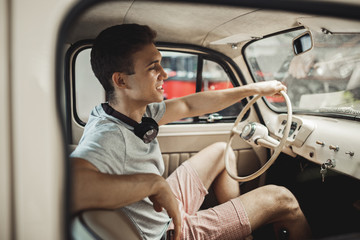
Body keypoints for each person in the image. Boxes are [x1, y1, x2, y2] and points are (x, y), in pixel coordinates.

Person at [70, 24, 311, 240]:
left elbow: (190, 105)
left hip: (162, 209)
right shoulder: (109, 135)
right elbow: (73, 187)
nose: (164, 74)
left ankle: (240, 232)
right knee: (284, 200)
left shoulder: (132, 112)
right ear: (121, 81)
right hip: (168, 232)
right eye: (153, 68)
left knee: (221, 152)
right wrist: (154, 184)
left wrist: (254, 89)